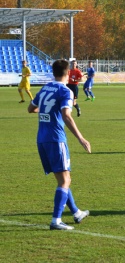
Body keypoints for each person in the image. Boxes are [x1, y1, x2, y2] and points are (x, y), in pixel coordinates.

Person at [28, 59, 91, 230]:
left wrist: (46, 111)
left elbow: (30, 109)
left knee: (63, 179)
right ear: (68, 73)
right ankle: (56, 220)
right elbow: (67, 115)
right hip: (56, 139)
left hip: (41, 138)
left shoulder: (45, 87)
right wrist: (81, 138)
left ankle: (76, 212)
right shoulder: (65, 91)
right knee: (65, 180)